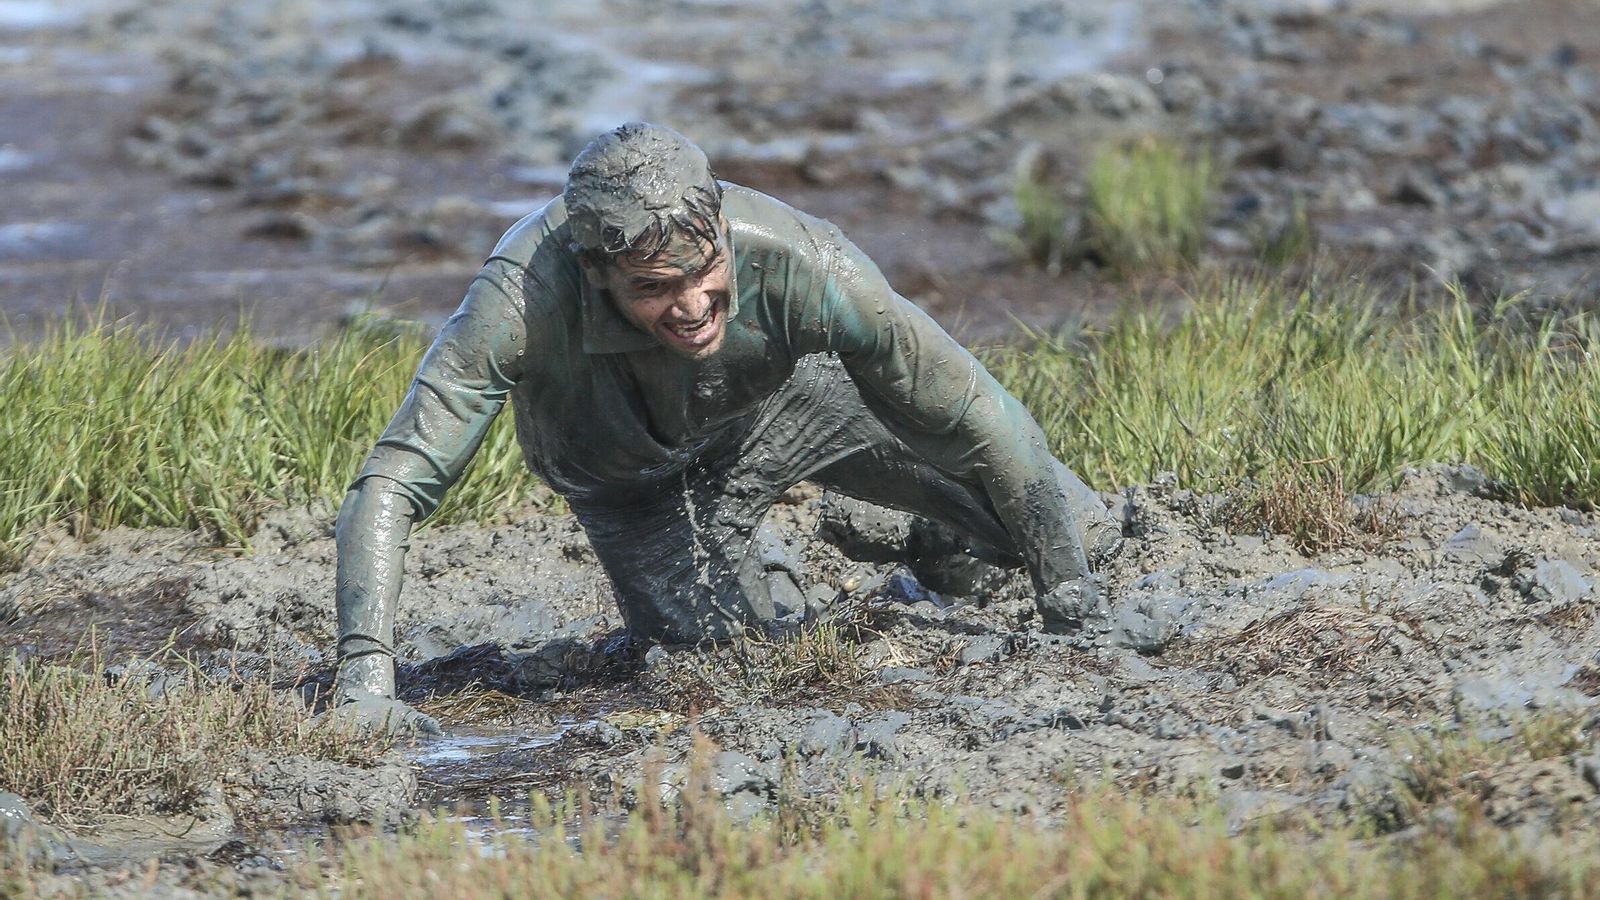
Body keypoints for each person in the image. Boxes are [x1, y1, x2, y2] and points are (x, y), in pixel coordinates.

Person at [331, 122, 1123, 734]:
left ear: (722, 232)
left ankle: (925, 534)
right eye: (653, 288)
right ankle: (763, 560)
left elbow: (985, 416)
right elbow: (395, 480)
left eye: (705, 270)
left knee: (1078, 531)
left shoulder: (802, 259)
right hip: (631, 485)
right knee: (720, 671)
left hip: (784, 408)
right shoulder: (518, 301)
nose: (692, 305)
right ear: (595, 272)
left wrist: (1073, 606)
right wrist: (365, 677)